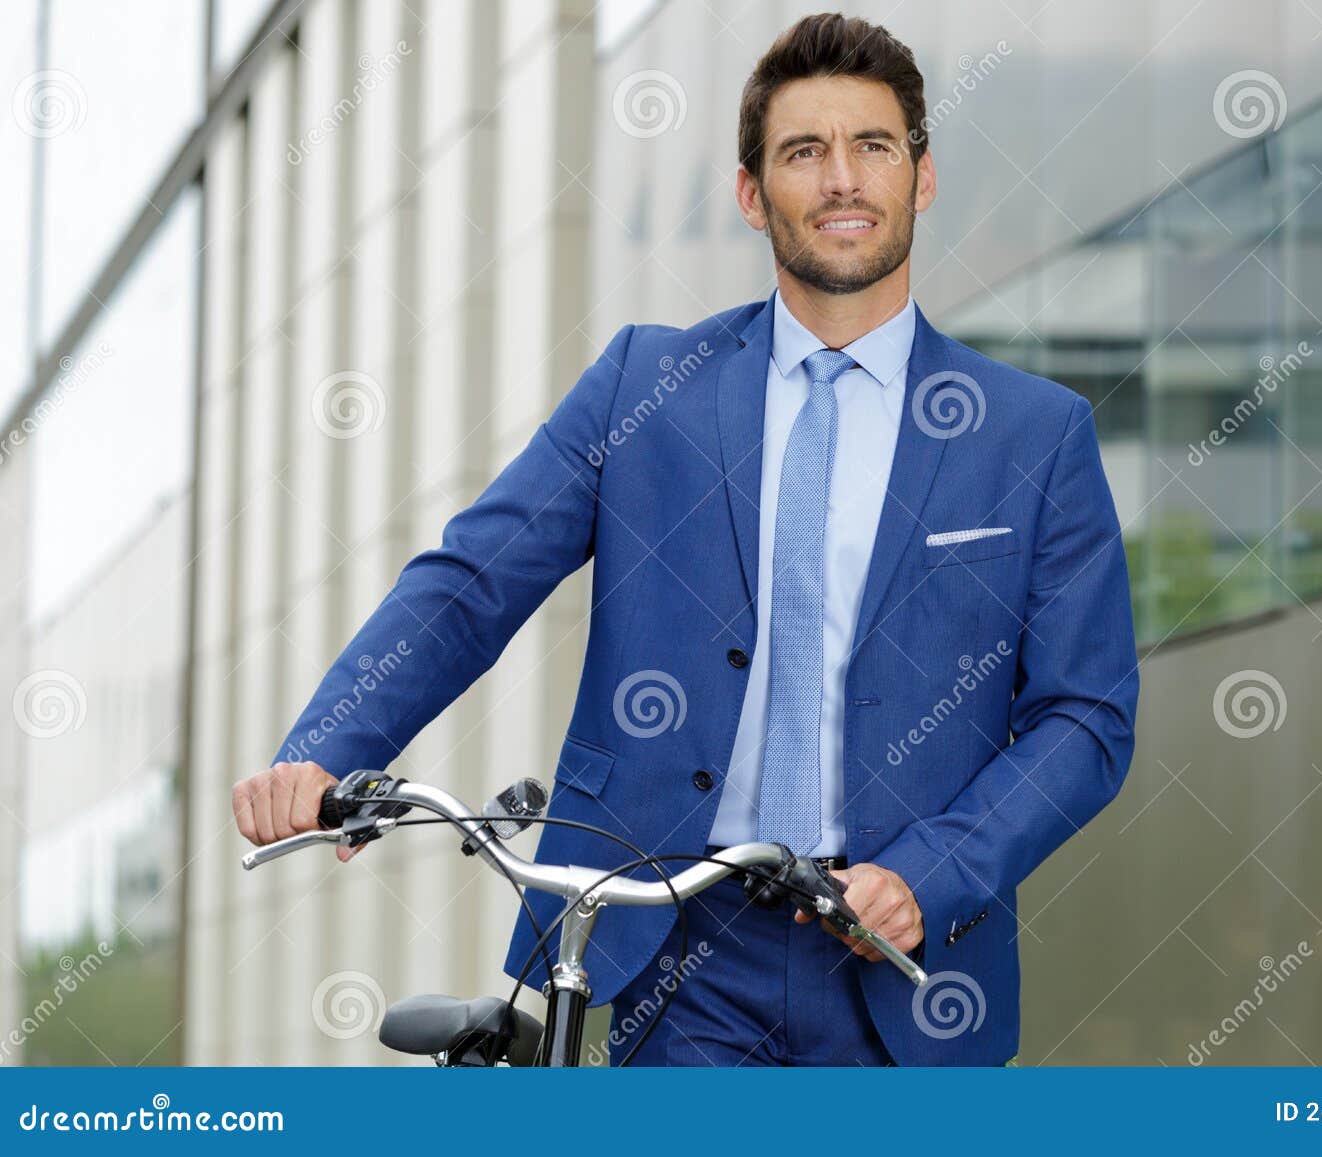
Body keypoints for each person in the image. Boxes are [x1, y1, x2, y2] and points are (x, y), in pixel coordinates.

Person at [232, 11, 1138, 1066]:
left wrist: (929, 874)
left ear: (921, 178)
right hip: (677, 941)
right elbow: (473, 580)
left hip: (903, 957)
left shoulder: (1033, 433)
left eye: (873, 147)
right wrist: (326, 751)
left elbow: (1084, 716)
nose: (841, 179)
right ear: (753, 194)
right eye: (804, 152)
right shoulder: (644, 386)